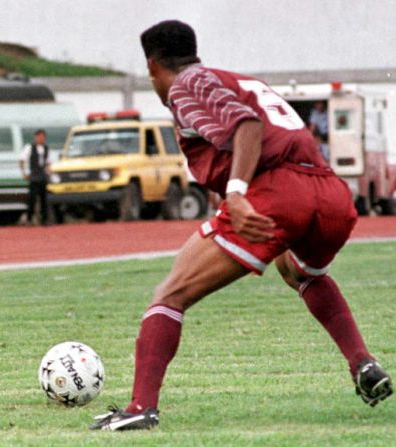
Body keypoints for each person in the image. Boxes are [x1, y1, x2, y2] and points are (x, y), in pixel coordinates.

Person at [90, 20, 392, 431]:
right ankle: (363, 362)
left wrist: (235, 192)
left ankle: (142, 407)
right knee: (298, 271)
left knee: (171, 293)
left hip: (279, 191)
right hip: (329, 195)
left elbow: (246, 126)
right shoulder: (238, 79)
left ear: (153, 66)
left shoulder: (185, 84)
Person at [19, 129, 50, 225]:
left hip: (43, 176)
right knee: (31, 199)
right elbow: (21, 160)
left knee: (44, 199)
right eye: (40, 137)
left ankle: (44, 219)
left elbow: (48, 163)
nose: (41, 139)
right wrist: (24, 173)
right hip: (34, 176)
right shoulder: (29, 147)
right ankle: (29, 218)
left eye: (43, 137)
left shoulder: (46, 148)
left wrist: (48, 173)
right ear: (36, 137)